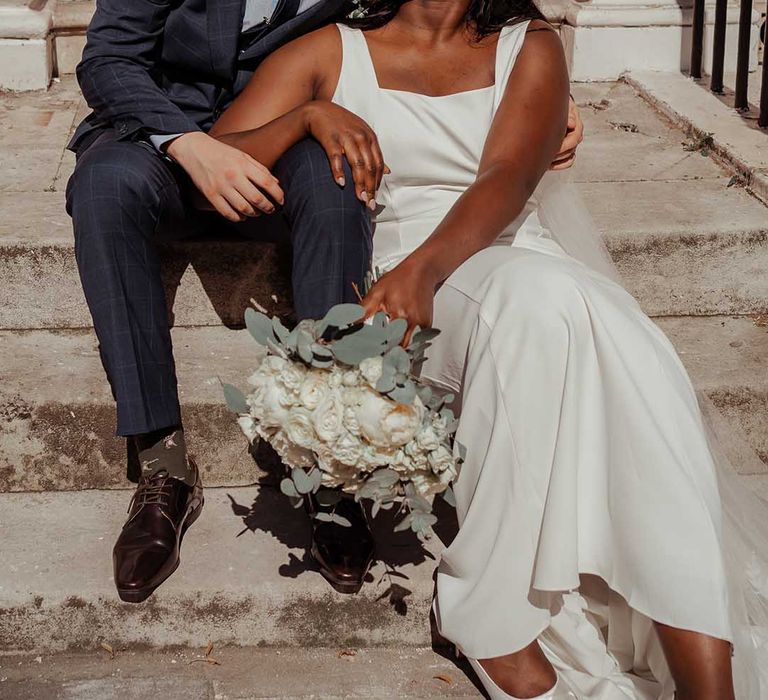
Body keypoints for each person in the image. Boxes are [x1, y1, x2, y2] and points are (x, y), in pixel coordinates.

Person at [208, 0, 768, 698]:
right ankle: (494, 613)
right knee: (552, 311)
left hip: (491, 260)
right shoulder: (328, 50)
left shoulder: (528, 47)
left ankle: (707, 680)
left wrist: (428, 269)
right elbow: (217, 158)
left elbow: (507, 175)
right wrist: (303, 119)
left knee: (597, 328)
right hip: (401, 300)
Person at [64, 0, 586, 602]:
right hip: (163, 141)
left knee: (337, 184)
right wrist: (187, 141)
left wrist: (548, 99)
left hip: (295, 128)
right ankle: (163, 463)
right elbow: (107, 59)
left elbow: (442, 21)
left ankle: (330, 469)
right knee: (104, 186)